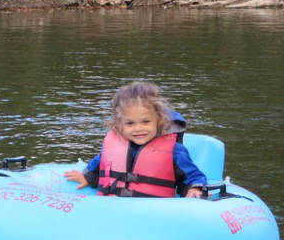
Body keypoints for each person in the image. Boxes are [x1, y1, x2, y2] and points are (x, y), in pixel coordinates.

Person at [65, 81, 207, 198]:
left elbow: (191, 175)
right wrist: (87, 177)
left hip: (153, 213)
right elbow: (98, 166)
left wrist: (194, 188)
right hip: (113, 210)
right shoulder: (113, 147)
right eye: (130, 123)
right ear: (119, 124)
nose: (138, 129)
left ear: (158, 121)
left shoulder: (174, 151)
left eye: (145, 122)